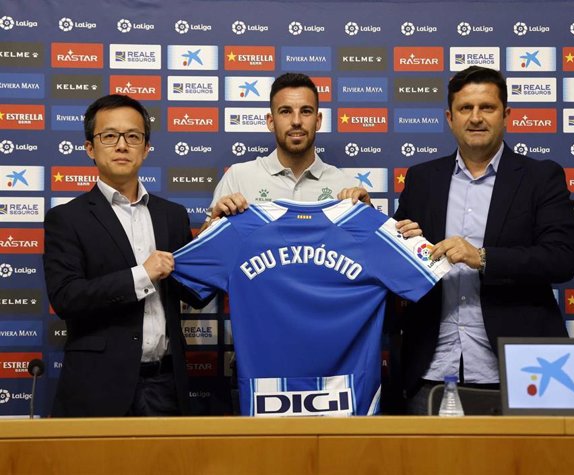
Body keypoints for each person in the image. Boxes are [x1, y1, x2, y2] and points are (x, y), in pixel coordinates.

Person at [393, 66, 574, 414]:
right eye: (465, 108)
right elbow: (398, 266)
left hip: (519, 371)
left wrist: (481, 257)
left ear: (506, 115)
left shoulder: (541, 177)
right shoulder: (421, 179)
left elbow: (561, 258)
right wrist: (400, 243)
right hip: (431, 369)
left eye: (487, 108)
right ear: (450, 117)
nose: (475, 118)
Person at [43, 94, 209, 417]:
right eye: (110, 136)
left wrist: (214, 242)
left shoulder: (172, 215)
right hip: (96, 385)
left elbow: (193, 292)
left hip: (165, 382)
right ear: (90, 147)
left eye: (133, 136)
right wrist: (142, 275)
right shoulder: (67, 218)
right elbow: (65, 297)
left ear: (146, 148)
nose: (122, 145)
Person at [203, 73, 410, 229]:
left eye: (306, 111)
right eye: (285, 111)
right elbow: (203, 253)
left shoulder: (346, 187)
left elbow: (369, 255)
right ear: (270, 121)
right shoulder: (238, 177)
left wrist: (368, 215)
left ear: (318, 121)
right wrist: (214, 222)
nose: (296, 121)